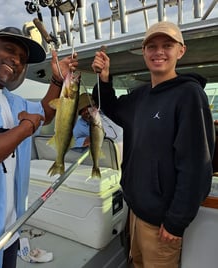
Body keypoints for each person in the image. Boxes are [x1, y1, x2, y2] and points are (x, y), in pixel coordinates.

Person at [0, 27, 77, 268]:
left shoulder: (9, 98)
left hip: (9, 235)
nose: (16, 60)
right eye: (9, 49)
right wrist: (26, 126)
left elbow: (45, 113)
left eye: (23, 58)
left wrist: (58, 80)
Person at [91, 21, 215, 268]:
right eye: (152, 46)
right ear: (144, 52)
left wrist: (175, 222)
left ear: (181, 51)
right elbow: (111, 108)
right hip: (135, 211)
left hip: (161, 224)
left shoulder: (190, 95)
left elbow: (196, 167)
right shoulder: (141, 95)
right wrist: (104, 79)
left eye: (167, 45)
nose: (159, 52)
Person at [73, 92, 123, 158]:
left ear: (96, 106)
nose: (87, 111)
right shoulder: (78, 126)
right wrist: (84, 141)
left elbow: (119, 134)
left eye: (89, 107)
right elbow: (70, 143)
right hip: (90, 161)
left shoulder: (108, 116)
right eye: (82, 110)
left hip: (118, 155)